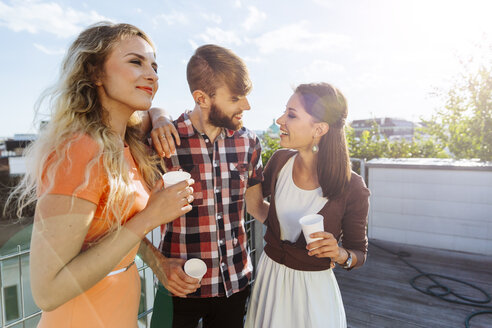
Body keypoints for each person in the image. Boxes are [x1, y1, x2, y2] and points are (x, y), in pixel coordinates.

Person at [5, 22, 194, 328]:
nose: (153, 75)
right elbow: (47, 292)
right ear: (95, 73)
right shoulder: (80, 150)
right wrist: (151, 216)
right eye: (136, 62)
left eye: (154, 66)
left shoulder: (121, 140)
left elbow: (107, 231)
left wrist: (159, 118)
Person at [138, 44, 264, 328]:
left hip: (235, 285)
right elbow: (128, 219)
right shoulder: (163, 143)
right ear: (202, 98)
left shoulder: (250, 143)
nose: (246, 106)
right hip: (179, 288)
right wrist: (158, 264)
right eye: (236, 98)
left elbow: (256, 206)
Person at [244, 82, 370, 328]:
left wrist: (340, 254)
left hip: (312, 293)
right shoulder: (279, 161)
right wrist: (246, 161)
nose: (281, 120)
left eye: (291, 114)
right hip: (269, 280)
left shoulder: (353, 187)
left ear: (319, 129)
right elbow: (256, 207)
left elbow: (359, 253)